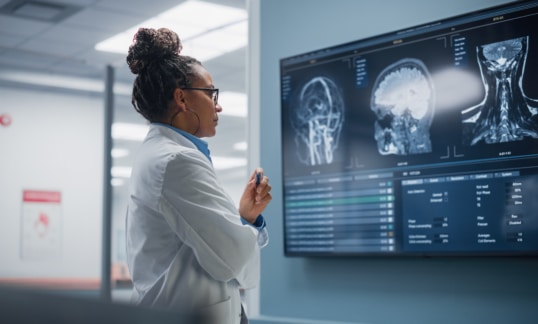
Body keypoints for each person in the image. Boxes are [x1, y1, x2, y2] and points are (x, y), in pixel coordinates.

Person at [124, 27, 272, 324]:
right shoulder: (176, 161)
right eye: (210, 93)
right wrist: (245, 231)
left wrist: (245, 218)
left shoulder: (161, 154)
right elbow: (233, 260)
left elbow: (209, 247)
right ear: (182, 98)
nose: (218, 105)